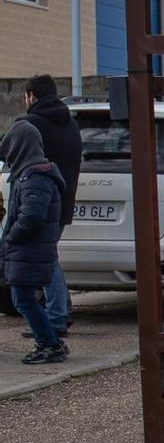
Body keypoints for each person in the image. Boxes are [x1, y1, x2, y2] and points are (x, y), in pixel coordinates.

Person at [2, 120, 68, 365]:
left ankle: (49, 343)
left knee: (24, 300)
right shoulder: (31, 175)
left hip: (29, 247)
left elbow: (32, 216)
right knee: (24, 299)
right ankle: (49, 342)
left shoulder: (35, 177)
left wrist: (11, 237)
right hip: (29, 248)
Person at [20, 75, 80, 339]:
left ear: (31, 95)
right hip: (64, 202)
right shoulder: (71, 124)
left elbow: (9, 150)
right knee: (51, 257)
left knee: (46, 260)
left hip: (40, 201)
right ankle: (61, 310)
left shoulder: (32, 124)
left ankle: (56, 317)